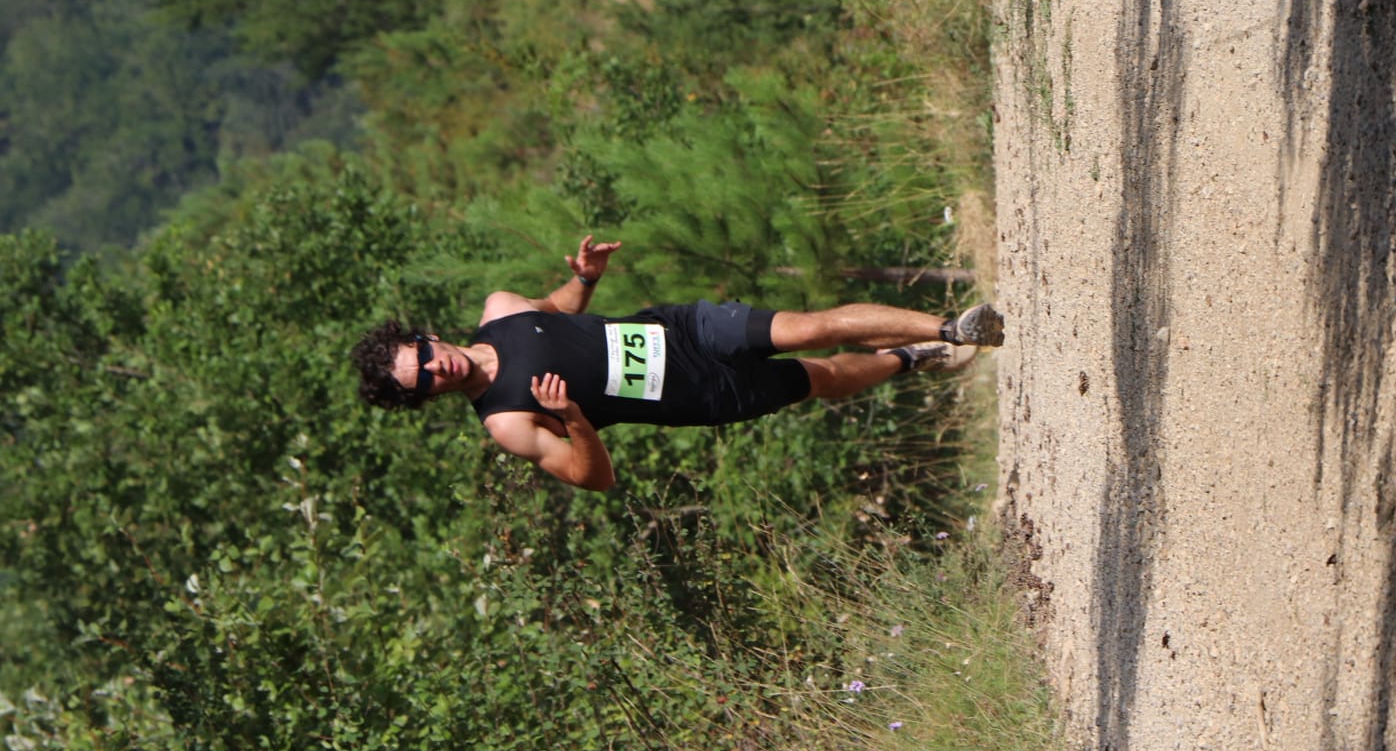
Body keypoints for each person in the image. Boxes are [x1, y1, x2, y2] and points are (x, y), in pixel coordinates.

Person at [351, 236, 1004, 491]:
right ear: (429, 396)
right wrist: (575, 419)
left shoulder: (500, 308)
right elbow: (594, 478)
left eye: (426, 356)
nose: (438, 368)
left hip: (681, 328)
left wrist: (585, 277)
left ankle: (954, 326)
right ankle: (909, 357)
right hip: (696, 397)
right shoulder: (507, 421)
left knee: (812, 326)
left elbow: (561, 307)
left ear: (431, 337)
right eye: (425, 380)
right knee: (825, 377)